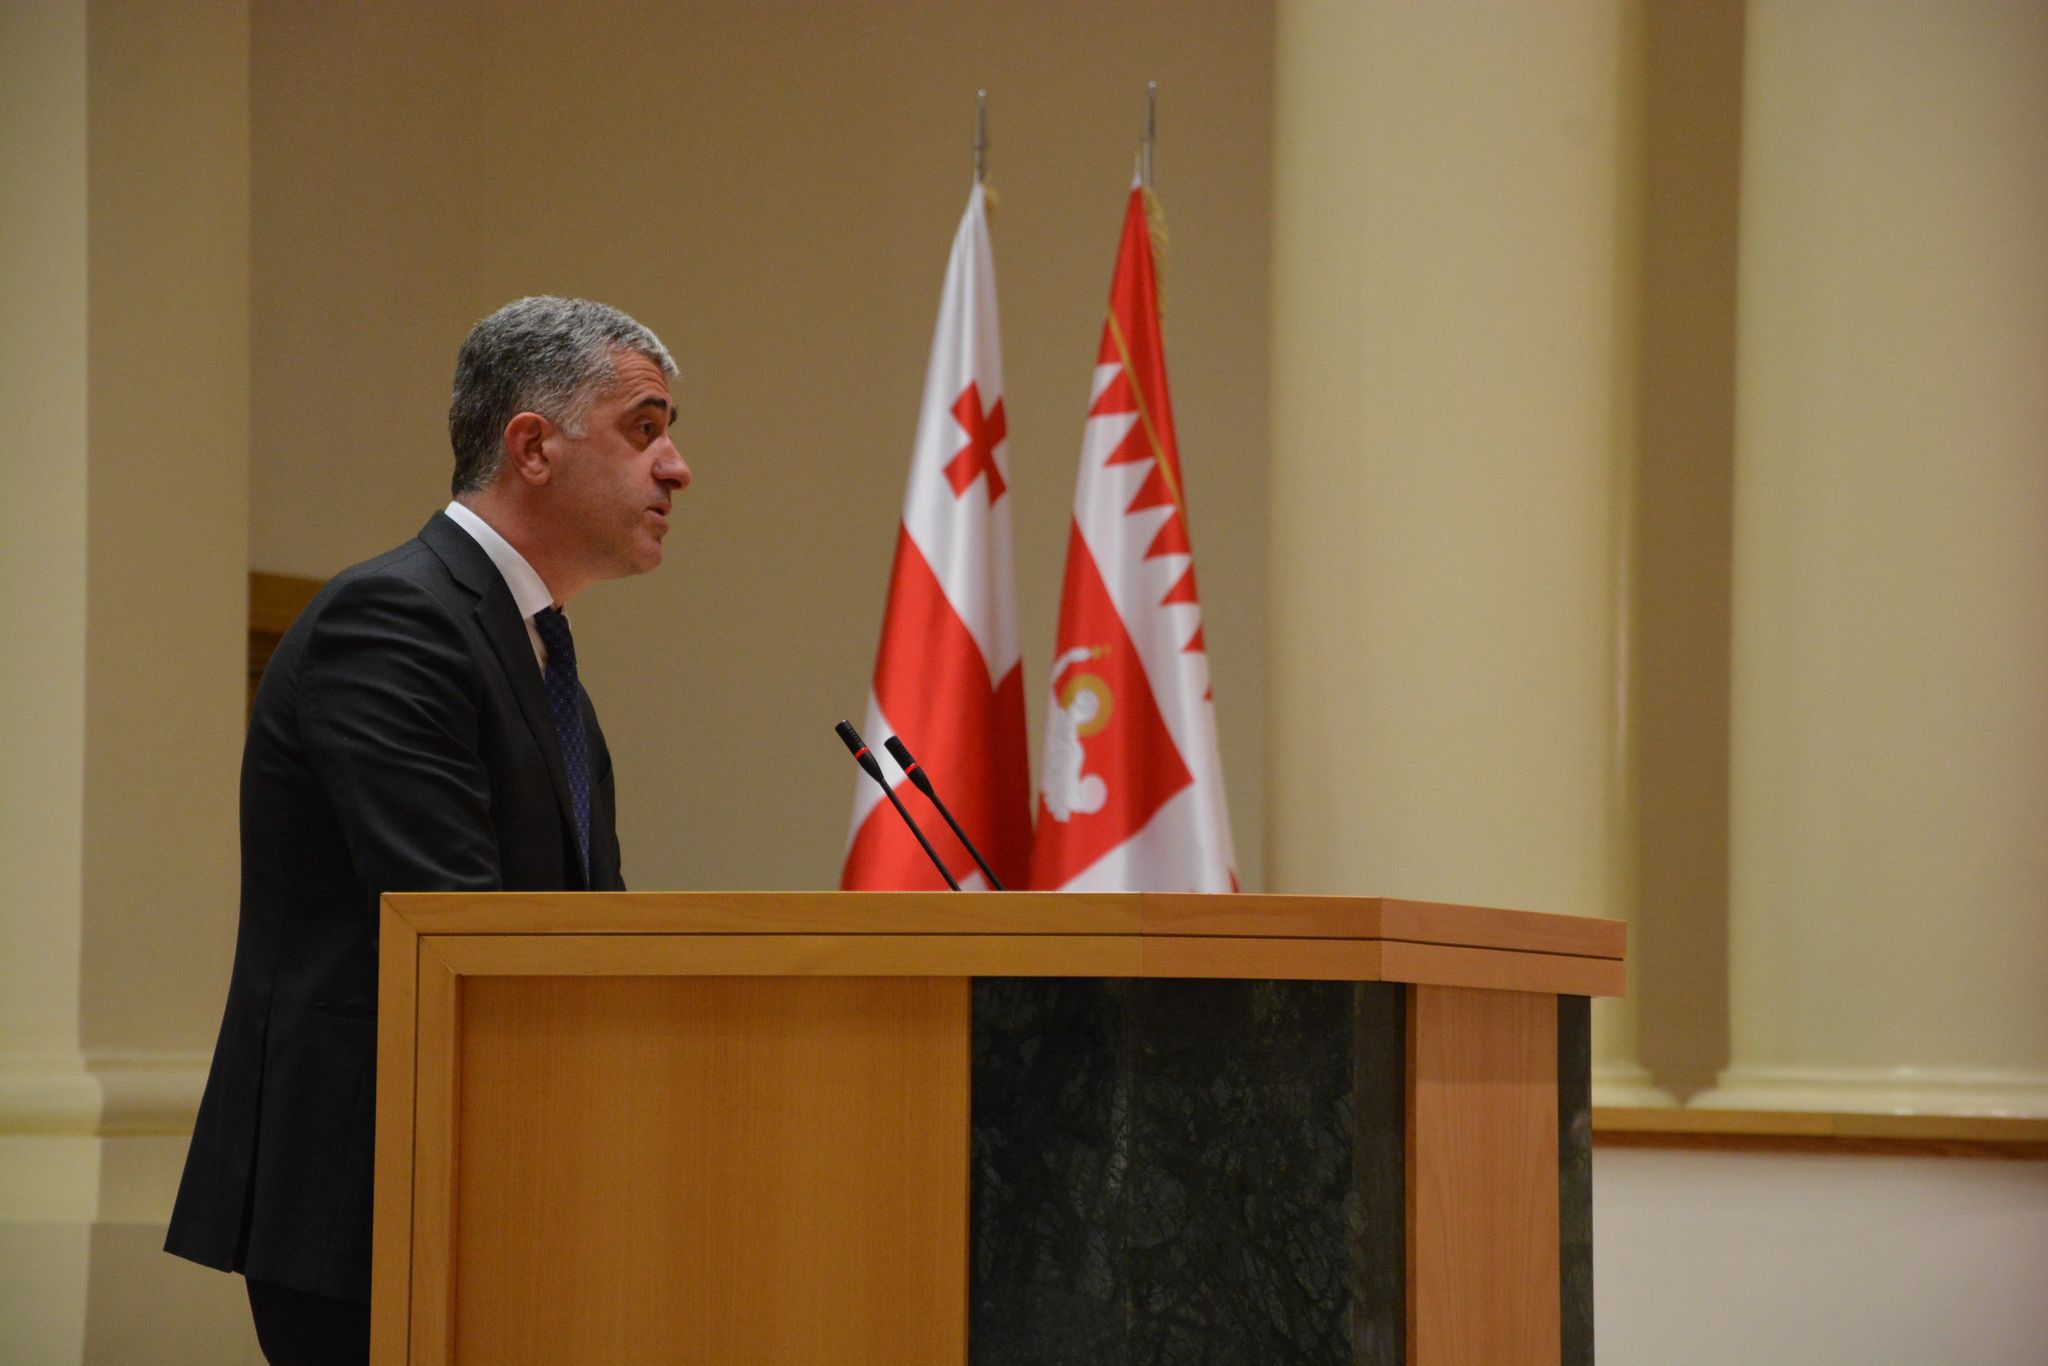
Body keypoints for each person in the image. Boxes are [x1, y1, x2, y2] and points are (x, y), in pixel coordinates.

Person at [165, 297, 690, 1365]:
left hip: (498, 1176)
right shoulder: (396, 619)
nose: (676, 468)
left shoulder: (537, 649)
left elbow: (586, 922)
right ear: (532, 447)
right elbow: (463, 927)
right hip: (371, 1194)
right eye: (644, 429)